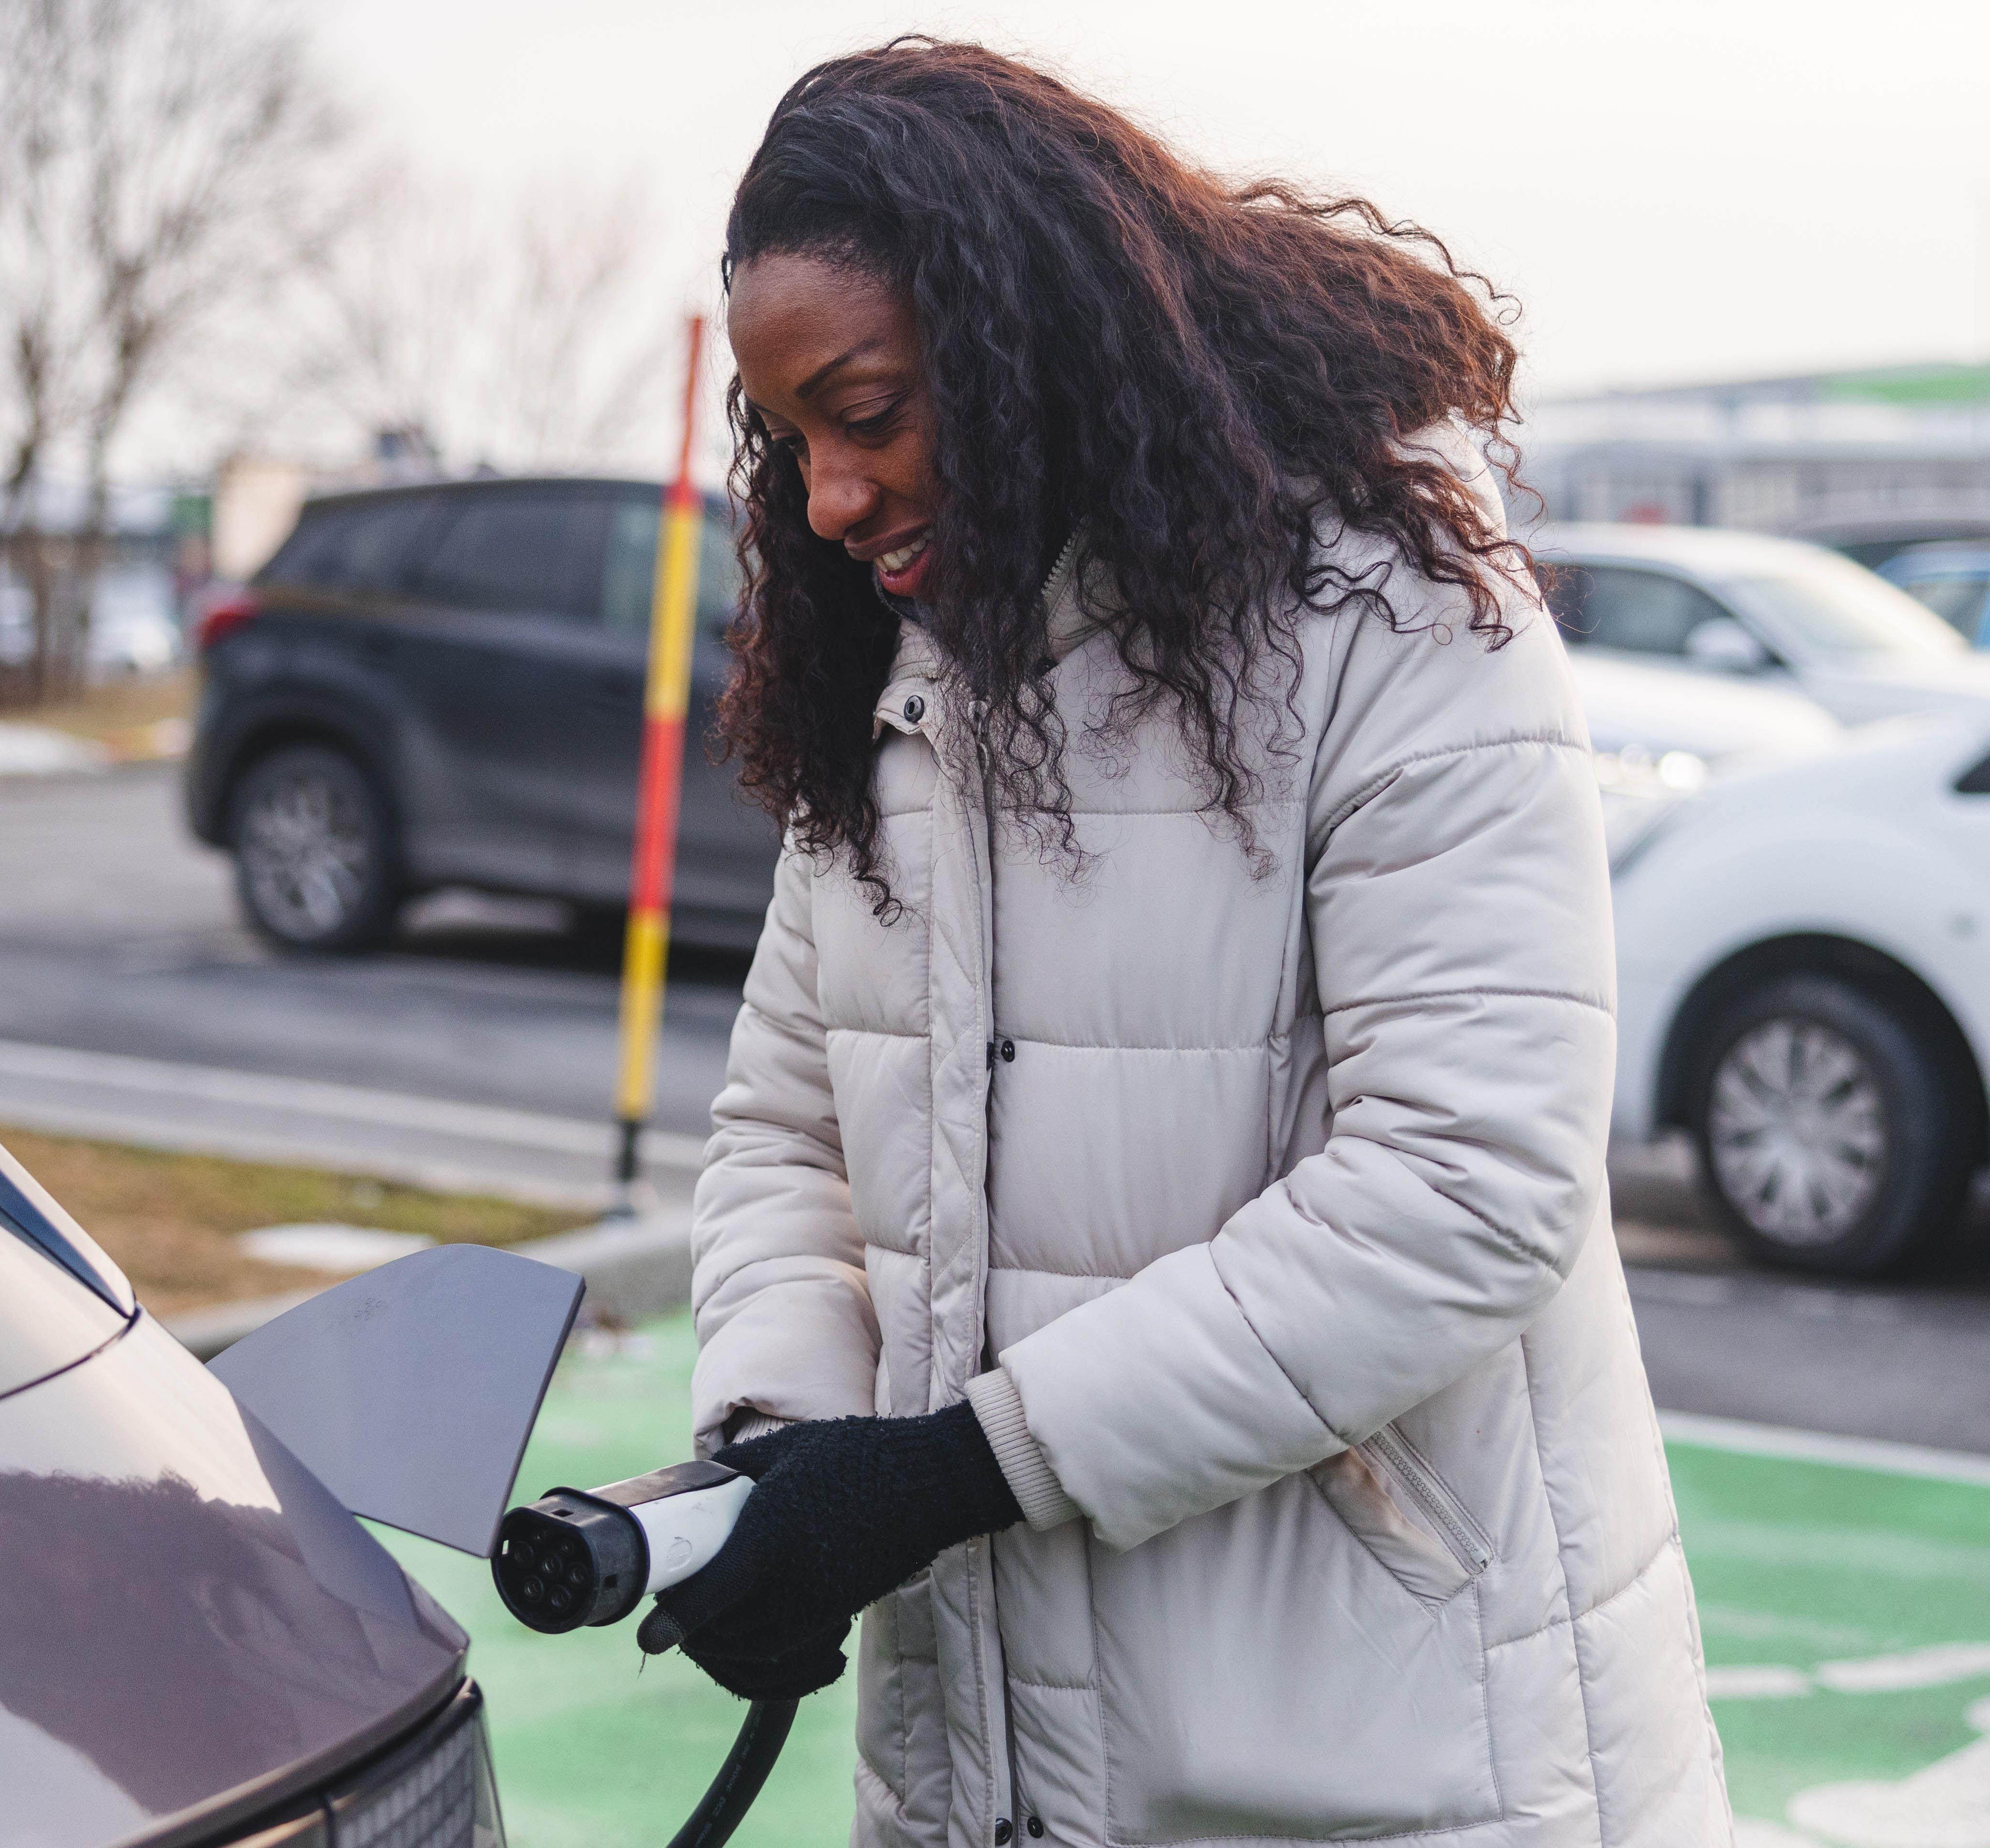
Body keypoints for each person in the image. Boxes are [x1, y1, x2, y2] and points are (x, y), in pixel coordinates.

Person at [641, 38, 1734, 1848]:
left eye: (874, 409)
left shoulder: (1392, 621)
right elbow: (788, 1133)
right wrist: (784, 1451)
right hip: (982, 1771)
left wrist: (951, 1471)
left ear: (1026, 345)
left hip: (1395, 1763)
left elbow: (1466, 1183)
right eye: (797, 439)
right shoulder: (899, 685)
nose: (830, 498)